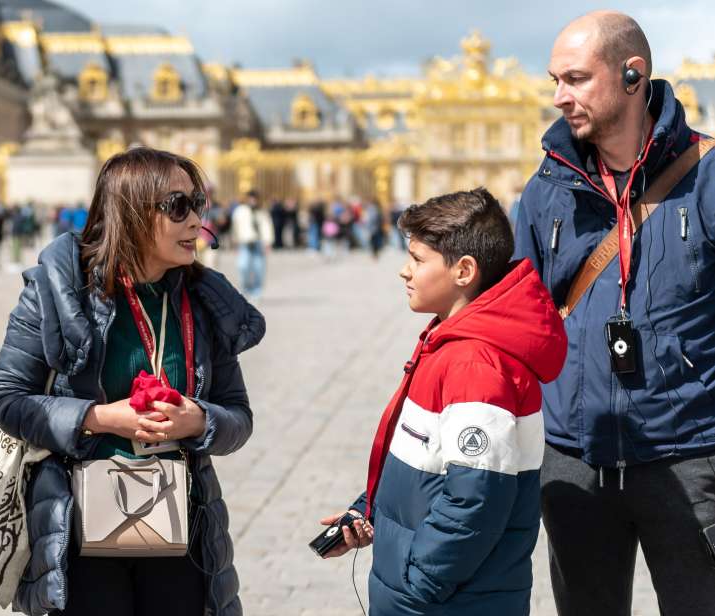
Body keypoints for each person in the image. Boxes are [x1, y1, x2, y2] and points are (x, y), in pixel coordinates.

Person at [0, 146, 265, 616]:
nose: (196, 220)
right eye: (179, 207)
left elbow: (238, 415)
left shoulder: (204, 301)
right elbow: (9, 399)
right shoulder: (57, 292)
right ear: (133, 211)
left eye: (199, 203)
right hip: (78, 523)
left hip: (179, 517)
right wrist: (98, 418)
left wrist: (199, 420)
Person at [514, 12, 715, 615]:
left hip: (690, 456)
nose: (559, 97)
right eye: (555, 79)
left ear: (634, 75)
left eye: (575, 78)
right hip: (574, 458)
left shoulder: (707, 177)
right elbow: (518, 317)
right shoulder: (546, 189)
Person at [323, 188, 567, 615]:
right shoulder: (450, 342)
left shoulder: (475, 363)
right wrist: (369, 509)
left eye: (418, 259)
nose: (404, 271)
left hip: (451, 600)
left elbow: (477, 499)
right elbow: (428, 465)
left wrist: (419, 584)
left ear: (464, 270)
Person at [231, 190, 273, 302]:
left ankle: (257, 291)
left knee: (259, 269)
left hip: (258, 243)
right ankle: (245, 290)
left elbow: (267, 227)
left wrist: (268, 242)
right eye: (251, 198)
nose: (253, 201)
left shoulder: (262, 212)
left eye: (255, 198)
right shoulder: (240, 211)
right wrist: (234, 241)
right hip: (244, 243)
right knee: (243, 267)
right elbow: (235, 227)